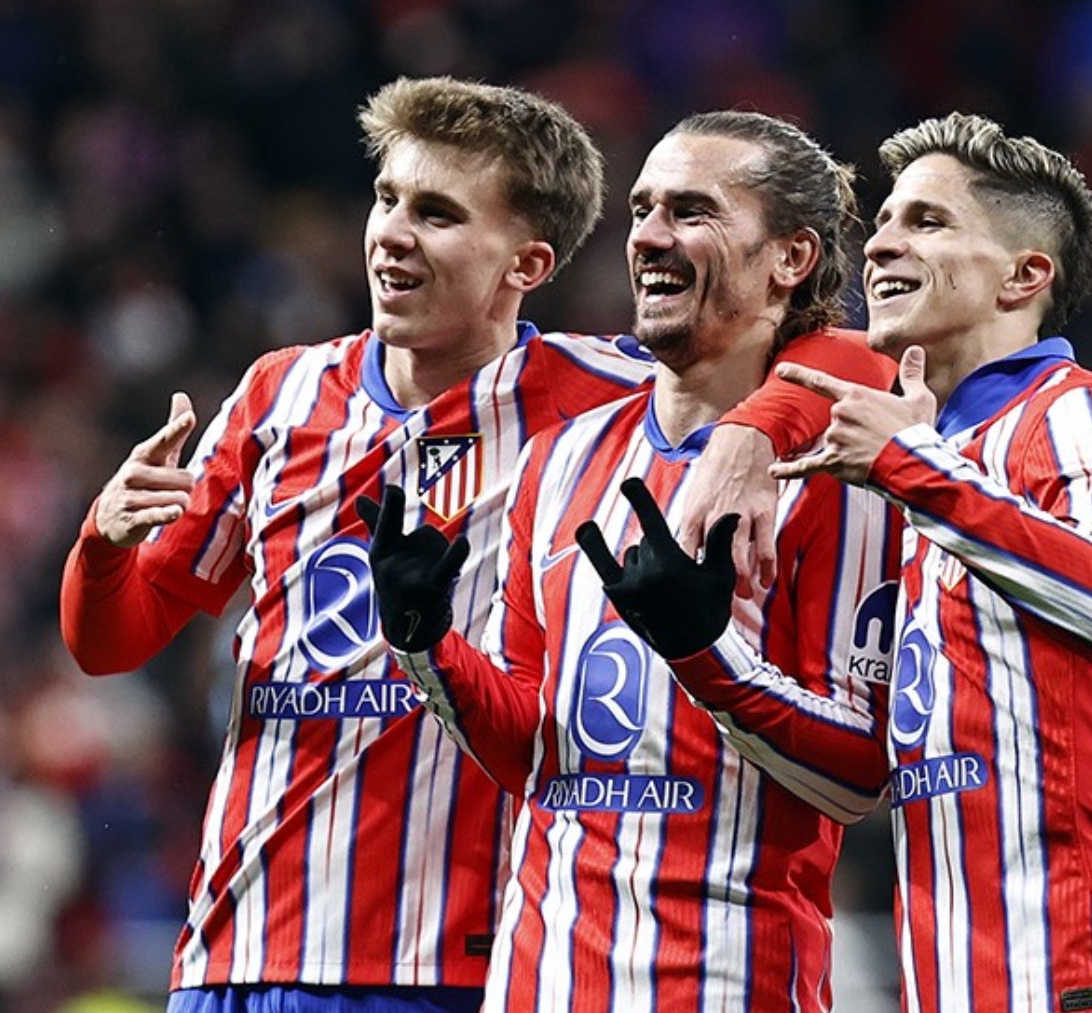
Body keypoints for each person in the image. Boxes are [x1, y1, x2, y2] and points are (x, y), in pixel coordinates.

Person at [60, 78, 858, 1013]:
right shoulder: (278, 398)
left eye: (435, 214)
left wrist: (756, 430)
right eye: (387, 198)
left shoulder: (603, 397)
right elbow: (109, 640)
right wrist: (103, 541)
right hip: (240, 942)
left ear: (528, 262)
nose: (392, 232)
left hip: (457, 966)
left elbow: (839, 352)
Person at [358, 111, 900, 1012]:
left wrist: (706, 656)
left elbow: (860, 778)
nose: (647, 234)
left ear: (790, 258)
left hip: (727, 980)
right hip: (539, 981)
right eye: (644, 208)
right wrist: (426, 645)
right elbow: (534, 750)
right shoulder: (561, 459)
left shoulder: (834, 476)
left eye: (693, 211)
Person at [773, 112, 1092, 1012]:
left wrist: (913, 468)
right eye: (887, 220)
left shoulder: (1081, 416)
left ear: (1025, 274)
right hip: (954, 974)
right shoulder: (920, 459)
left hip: (1089, 964)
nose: (883, 243)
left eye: (928, 222)